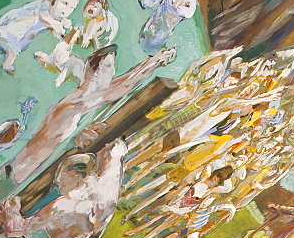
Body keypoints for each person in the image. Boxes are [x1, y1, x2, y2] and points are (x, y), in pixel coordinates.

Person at [11, 44, 175, 183]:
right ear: (92, 70)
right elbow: (120, 90)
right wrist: (155, 63)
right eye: (107, 67)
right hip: (20, 172)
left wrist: (153, 61)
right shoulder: (76, 103)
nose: (111, 73)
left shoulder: (85, 95)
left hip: (27, 168)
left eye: (112, 67)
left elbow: (125, 79)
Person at [0, 0, 79, 74]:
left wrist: (57, 29)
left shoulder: (55, 16)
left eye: (71, 8)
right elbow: (42, 17)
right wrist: (54, 25)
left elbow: (50, 26)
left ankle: (7, 65)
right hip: (17, 26)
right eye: (64, 3)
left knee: (13, 50)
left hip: (24, 35)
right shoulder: (45, 5)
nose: (66, 9)